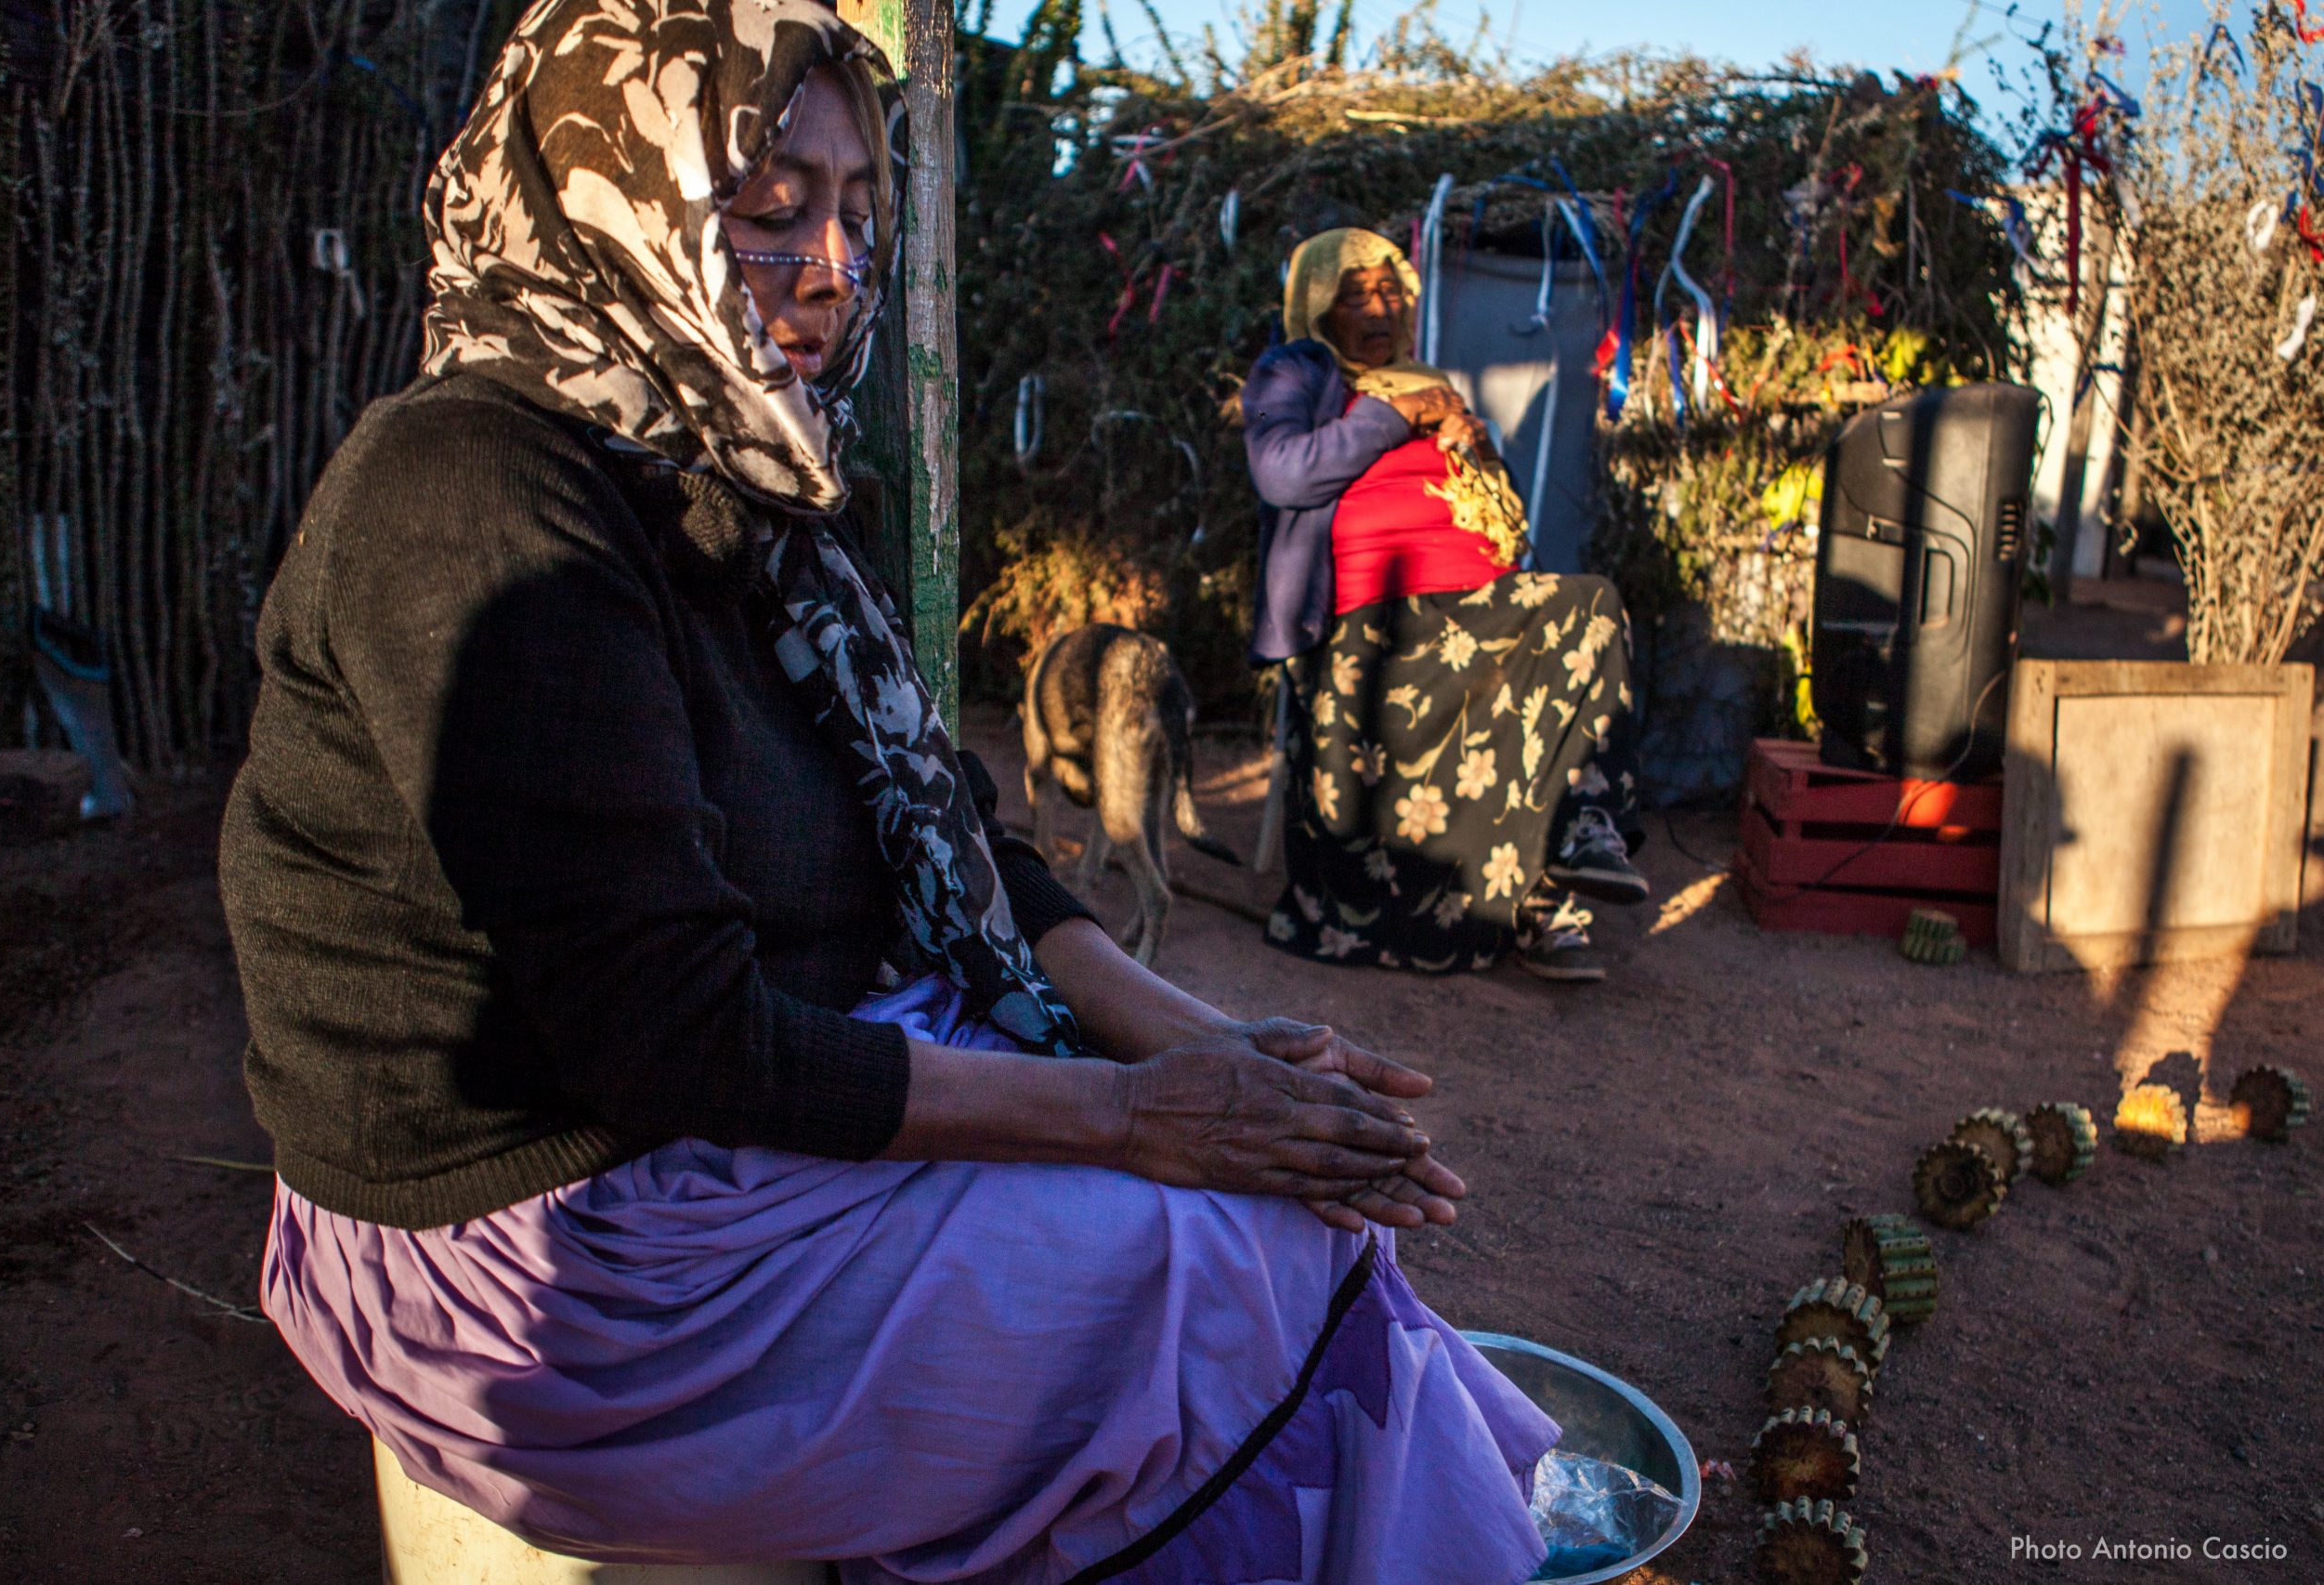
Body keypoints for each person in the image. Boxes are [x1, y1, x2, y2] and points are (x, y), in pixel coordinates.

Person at [218, 5, 1562, 1580]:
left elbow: (956, 851)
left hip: (754, 1096)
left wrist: (1230, 1058)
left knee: (1314, 1209)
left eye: (855, 213)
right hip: (555, 1247)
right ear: (609, 197)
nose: (833, 268)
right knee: (1226, 1264)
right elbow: (668, 1036)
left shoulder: (751, 479)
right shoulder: (473, 493)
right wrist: (1139, 1117)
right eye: (770, 208)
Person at [1242, 228, 1648, 982]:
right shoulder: (1298, 371)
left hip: (1478, 606)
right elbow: (1283, 475)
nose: (1380, 307)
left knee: (1591, 605)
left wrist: (1478, 445)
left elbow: (1509, 516)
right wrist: (1402, 415)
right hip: (1372, 622)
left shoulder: (1428, 381)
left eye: (1391, 290)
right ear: (1319, 306)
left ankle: (1579, 839)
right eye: (1357, 293)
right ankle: (1533, 909)